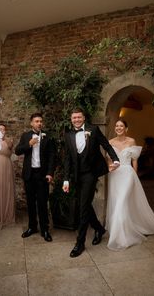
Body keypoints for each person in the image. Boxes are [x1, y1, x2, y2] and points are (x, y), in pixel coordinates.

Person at [63, 108, 120, 258]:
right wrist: (66, 179)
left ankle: (79, 243)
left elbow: (106, 145)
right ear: (71, 119)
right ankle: (99, 229)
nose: (76, 119)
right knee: (86, 204)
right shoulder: (68, 135)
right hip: (76, 175)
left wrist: (115, 159)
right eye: (74, 117)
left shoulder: (93, 130)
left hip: (90, 173)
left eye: (79, 117)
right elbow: (68, 158)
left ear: (83, 118)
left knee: (82, 207)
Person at [106, 119, 154, 250]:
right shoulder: (110, 142)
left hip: (127, 174)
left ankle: (120, 237)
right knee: (117, 202)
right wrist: (109, 167)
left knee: (122, 201)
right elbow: (109, 160)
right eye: (117, 126)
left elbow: (135, 160)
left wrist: (134, 176)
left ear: (126, 128)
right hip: (115, 176)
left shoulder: (131, 141)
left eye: (121, 126)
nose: (118, 128)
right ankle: (120, 229)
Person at [15, 113, 56, 241]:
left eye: (40, 121)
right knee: (31, 203)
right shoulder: (25, 136)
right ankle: (32, 227)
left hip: (42, 175)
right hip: (29, 174)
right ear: (31, 123)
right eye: (36, 121)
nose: (39, 123)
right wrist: (29, 144)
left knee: (43, 203)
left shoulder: (47, 137)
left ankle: (45, 230)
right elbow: (17, 151)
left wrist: (50, 173)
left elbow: (51, 157)